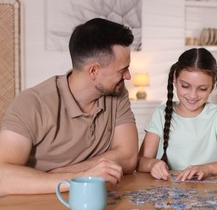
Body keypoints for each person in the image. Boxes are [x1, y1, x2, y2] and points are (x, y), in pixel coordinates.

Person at [0, 18, 138, 196]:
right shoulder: (32, 103)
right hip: (38, 205)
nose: (128, 76)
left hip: (95, 200)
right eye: (122, 70)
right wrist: (81, 177)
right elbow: (3, 176)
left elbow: (128, 158)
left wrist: (62, 174)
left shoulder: (116, 92)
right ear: (93, 71)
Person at [137, 48, 217, 181]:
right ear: (175, 79)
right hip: (170, 191)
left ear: (212, 87)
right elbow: (140, 162)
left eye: (202, 89)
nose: (193, 95)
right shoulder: (161, 113)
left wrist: (207, 168)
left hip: (210, 192)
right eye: (185, 86)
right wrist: (152, 164)